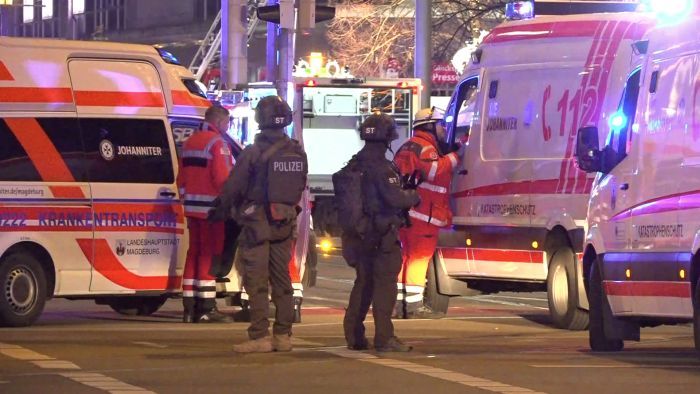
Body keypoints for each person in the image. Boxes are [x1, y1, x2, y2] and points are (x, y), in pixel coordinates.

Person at [217, 95, 307, 353]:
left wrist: (223, 207)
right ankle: (283, 336)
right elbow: (300, 184)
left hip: (257, 223)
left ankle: (259, 337)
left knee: (256, 281)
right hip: (285, 221)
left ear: (260, 119)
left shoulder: (253, 152)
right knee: (283, 280)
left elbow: (234, 186)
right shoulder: (297, 150)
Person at [339, 112, 420, 352]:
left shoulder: (355, 162)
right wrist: (413, 195)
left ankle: (354, 334)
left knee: (363, 283)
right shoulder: (383, 167)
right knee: (385, 286)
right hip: (382, 235)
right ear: (387, 137)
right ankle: (385, 337)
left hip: (359, 234)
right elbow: (395, 198)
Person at [393, 107, 463, 319]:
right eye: (441, 125)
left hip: (409, 214)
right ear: (430, 125)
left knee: (406, 258)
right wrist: (454, 157)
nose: (444, 130)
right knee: (418, 259)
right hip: (424, 214)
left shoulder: (409, 146)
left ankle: (401, 305)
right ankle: (413, 308)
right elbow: (433, 172)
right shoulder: (426, 148)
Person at [178, 105, 235, 323]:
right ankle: (206, 307)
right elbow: (222, 179)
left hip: (192, 209)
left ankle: (189, 306)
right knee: (209, 255)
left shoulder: (190, 141)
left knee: (194, 253)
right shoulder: (217, 143)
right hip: (212, 209)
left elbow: (181, 178)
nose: (227, 128)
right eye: (227, 123)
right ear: (220, 122)